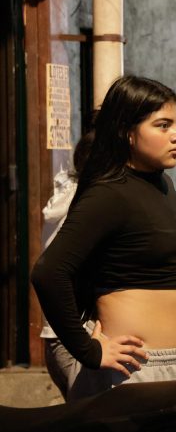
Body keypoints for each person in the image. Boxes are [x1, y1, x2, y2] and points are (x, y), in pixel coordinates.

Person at [31, 76, 176, 399]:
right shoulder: (110, 193)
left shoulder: (163, 186)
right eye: (163, 125)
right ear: (126, 132)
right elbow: (49, 273)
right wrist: (89, 350)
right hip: (131, 370)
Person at [38, 131, 93, 400]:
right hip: (75, 336)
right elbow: (48, 272)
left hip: (57, 336)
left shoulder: (65, 193)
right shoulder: (86, 204)